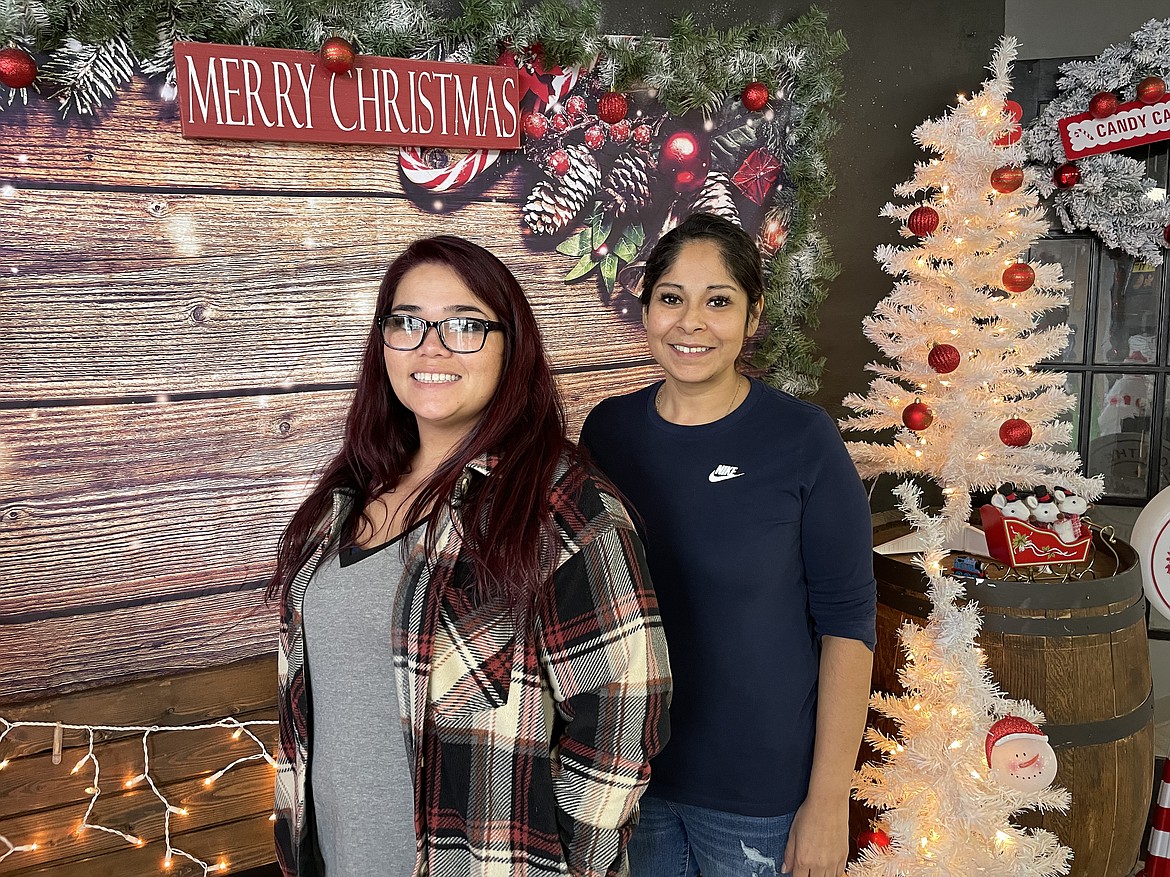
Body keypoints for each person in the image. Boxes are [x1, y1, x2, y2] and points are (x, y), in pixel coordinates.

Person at [269, 235, 671, 877]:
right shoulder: (345, 498)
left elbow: (624, 722)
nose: (431, 347)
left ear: (511, 346)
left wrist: (562, 865)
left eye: (464, 325)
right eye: (407, 322)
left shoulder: (563, 507)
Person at [580, 213, 875, 877]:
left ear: (753, 314)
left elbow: (848, 628)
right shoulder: (608, 432)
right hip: (632, 778)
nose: (692, 322)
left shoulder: (803, 439)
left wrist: (828, 800)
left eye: (719, 300)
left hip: (762, 794)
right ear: (647, 306)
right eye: (672, 298)